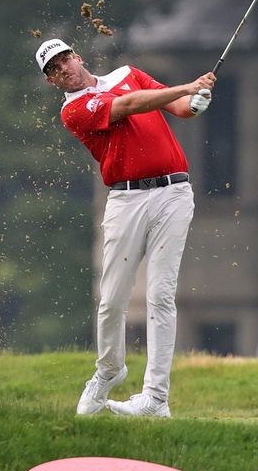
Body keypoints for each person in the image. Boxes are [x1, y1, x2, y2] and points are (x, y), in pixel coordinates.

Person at [36, 38, 216, 417]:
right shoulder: (75, 110)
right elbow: (131, 106)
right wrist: (188, 85)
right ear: (52, 81)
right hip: (126, 199)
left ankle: (156, 399)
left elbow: (179, 109)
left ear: (77, 56)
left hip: (174, 192)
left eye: (64, 59)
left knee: (161, 295)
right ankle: (109, 372)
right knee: (112, 299)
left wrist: (197, 101)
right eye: (53, 69)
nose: (62, 68)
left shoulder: (128, 74)